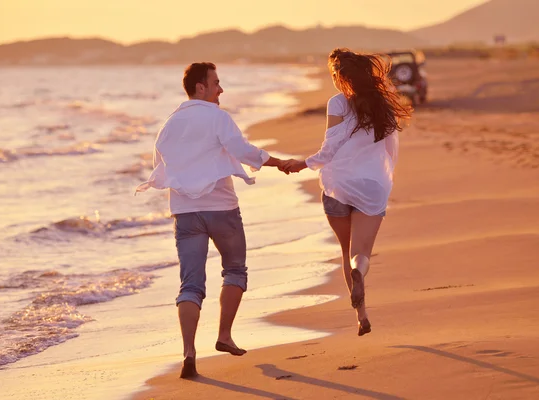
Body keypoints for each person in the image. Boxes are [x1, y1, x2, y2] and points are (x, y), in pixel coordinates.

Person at [136, 62, 287, 379]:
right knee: (234, 270)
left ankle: (189, 352)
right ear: (200, 87)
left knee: (190, 284)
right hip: (222, 209)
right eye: (216, 83)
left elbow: (161, 164)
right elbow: (242, 150)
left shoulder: (170, 123)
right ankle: (224, 335)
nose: (221, 89)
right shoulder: (217, 117)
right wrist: (280, 163)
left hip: (185, 212)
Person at [282, 48, 411, 336]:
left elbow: (331, 146)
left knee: (344, 249)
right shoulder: (383, 104)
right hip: (371, 186)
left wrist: (304, 164)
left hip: (338, 184)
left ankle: (361, 316)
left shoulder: (337, 103)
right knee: (360, 253)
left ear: (339, 76)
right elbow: (391, 149)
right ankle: (360, 272)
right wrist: (383, 177)